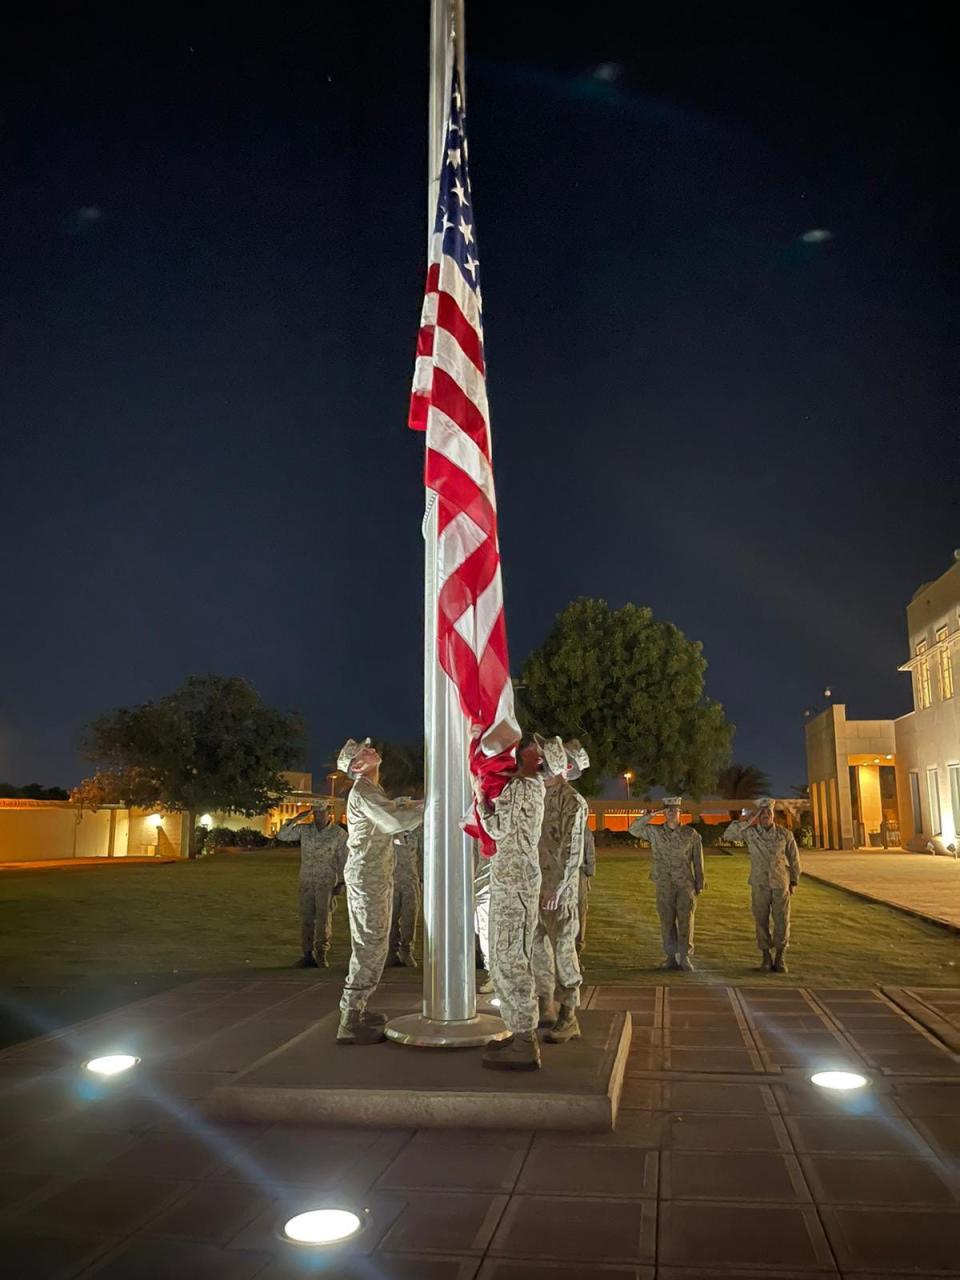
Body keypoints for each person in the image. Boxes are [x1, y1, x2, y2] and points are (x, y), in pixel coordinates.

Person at [475, 735, 567, 1071]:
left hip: (513, 879)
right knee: (511, 954)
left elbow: (497, 828)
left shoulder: (522, 787)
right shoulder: (530, 787)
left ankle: (524, 1041)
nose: (528, 744)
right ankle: (519, 1034)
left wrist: (479, 797)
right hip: (517, 878)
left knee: (510, 957)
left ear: (538, 758)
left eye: (535, 746)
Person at [335, 738, 424, 1044]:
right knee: (370, 946)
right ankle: (349, 1019)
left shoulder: (372, 790)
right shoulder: (362, 791)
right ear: (357, 765)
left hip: (375, 876)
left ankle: (357, 1011)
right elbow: (394, 820)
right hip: (368, 878)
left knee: (375, 944)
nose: (371, 749)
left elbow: (396, 807)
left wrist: (421, 804)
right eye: (364, 750)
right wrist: (433, 807)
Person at [532, 737, 590, 1043]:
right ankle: (546, 1006)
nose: (540, 761)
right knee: (538, 948)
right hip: (535, 886)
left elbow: (572, 850)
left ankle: (569, 1016)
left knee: (564, 949)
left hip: (559, 891)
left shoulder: (573, 802)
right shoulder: (538, 794)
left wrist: (555, 888)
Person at [724, 797, 801, 972]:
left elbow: (794, 859)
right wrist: (749, 819)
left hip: (780, 882)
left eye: (769, 812)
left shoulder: (784, 834)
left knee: (782, 920)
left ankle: (780, 957)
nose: (766, 815)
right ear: (758, 815)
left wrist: (794, 880)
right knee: (761, 920)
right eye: (762, 812)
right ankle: (766, 957)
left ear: (773, 815)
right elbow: (729, 835)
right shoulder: (750, 833)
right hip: (759, 883)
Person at [629, 796, 705, 971]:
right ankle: (670, 957)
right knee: (667, 921)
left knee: (686, 920)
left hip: (685, 884)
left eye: (675, 809)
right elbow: (633, 828)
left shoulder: (690, 834)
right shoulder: (655, 832)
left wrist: (700, 882)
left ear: (680, 812)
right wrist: (651, 815)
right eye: (668, 809)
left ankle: (685, 957)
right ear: (664, 812)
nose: (671, 813)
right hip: (664, 884)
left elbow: (698, 860)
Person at [277, 803, 348, 968]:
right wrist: (297, 818)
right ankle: (307, 955)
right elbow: (282, 835)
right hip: (307, 882)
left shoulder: (338, 834)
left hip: (327, 883)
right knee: (307, 919)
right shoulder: (305, 830)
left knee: (323, 920)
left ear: (329, 812)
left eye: (321, 812)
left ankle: (321, 954)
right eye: (315, 813)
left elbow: (344, 858)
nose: (318, 816)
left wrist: (343, 882)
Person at [388, 822, 422, 967]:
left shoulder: (418, 832)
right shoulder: (390, 831)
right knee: (391, 917)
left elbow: (422, 855)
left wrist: (423, 877)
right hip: (392, 881)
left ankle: (407, 951)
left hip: (411, 881)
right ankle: (392, 952)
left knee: (410, 918)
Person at [576, 822, 596, 957]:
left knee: (579, 912)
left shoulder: (582, 827)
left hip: (578, 874)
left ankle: (577, 951)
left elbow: (590, 851)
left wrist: (588, 873)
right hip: (556, 875)